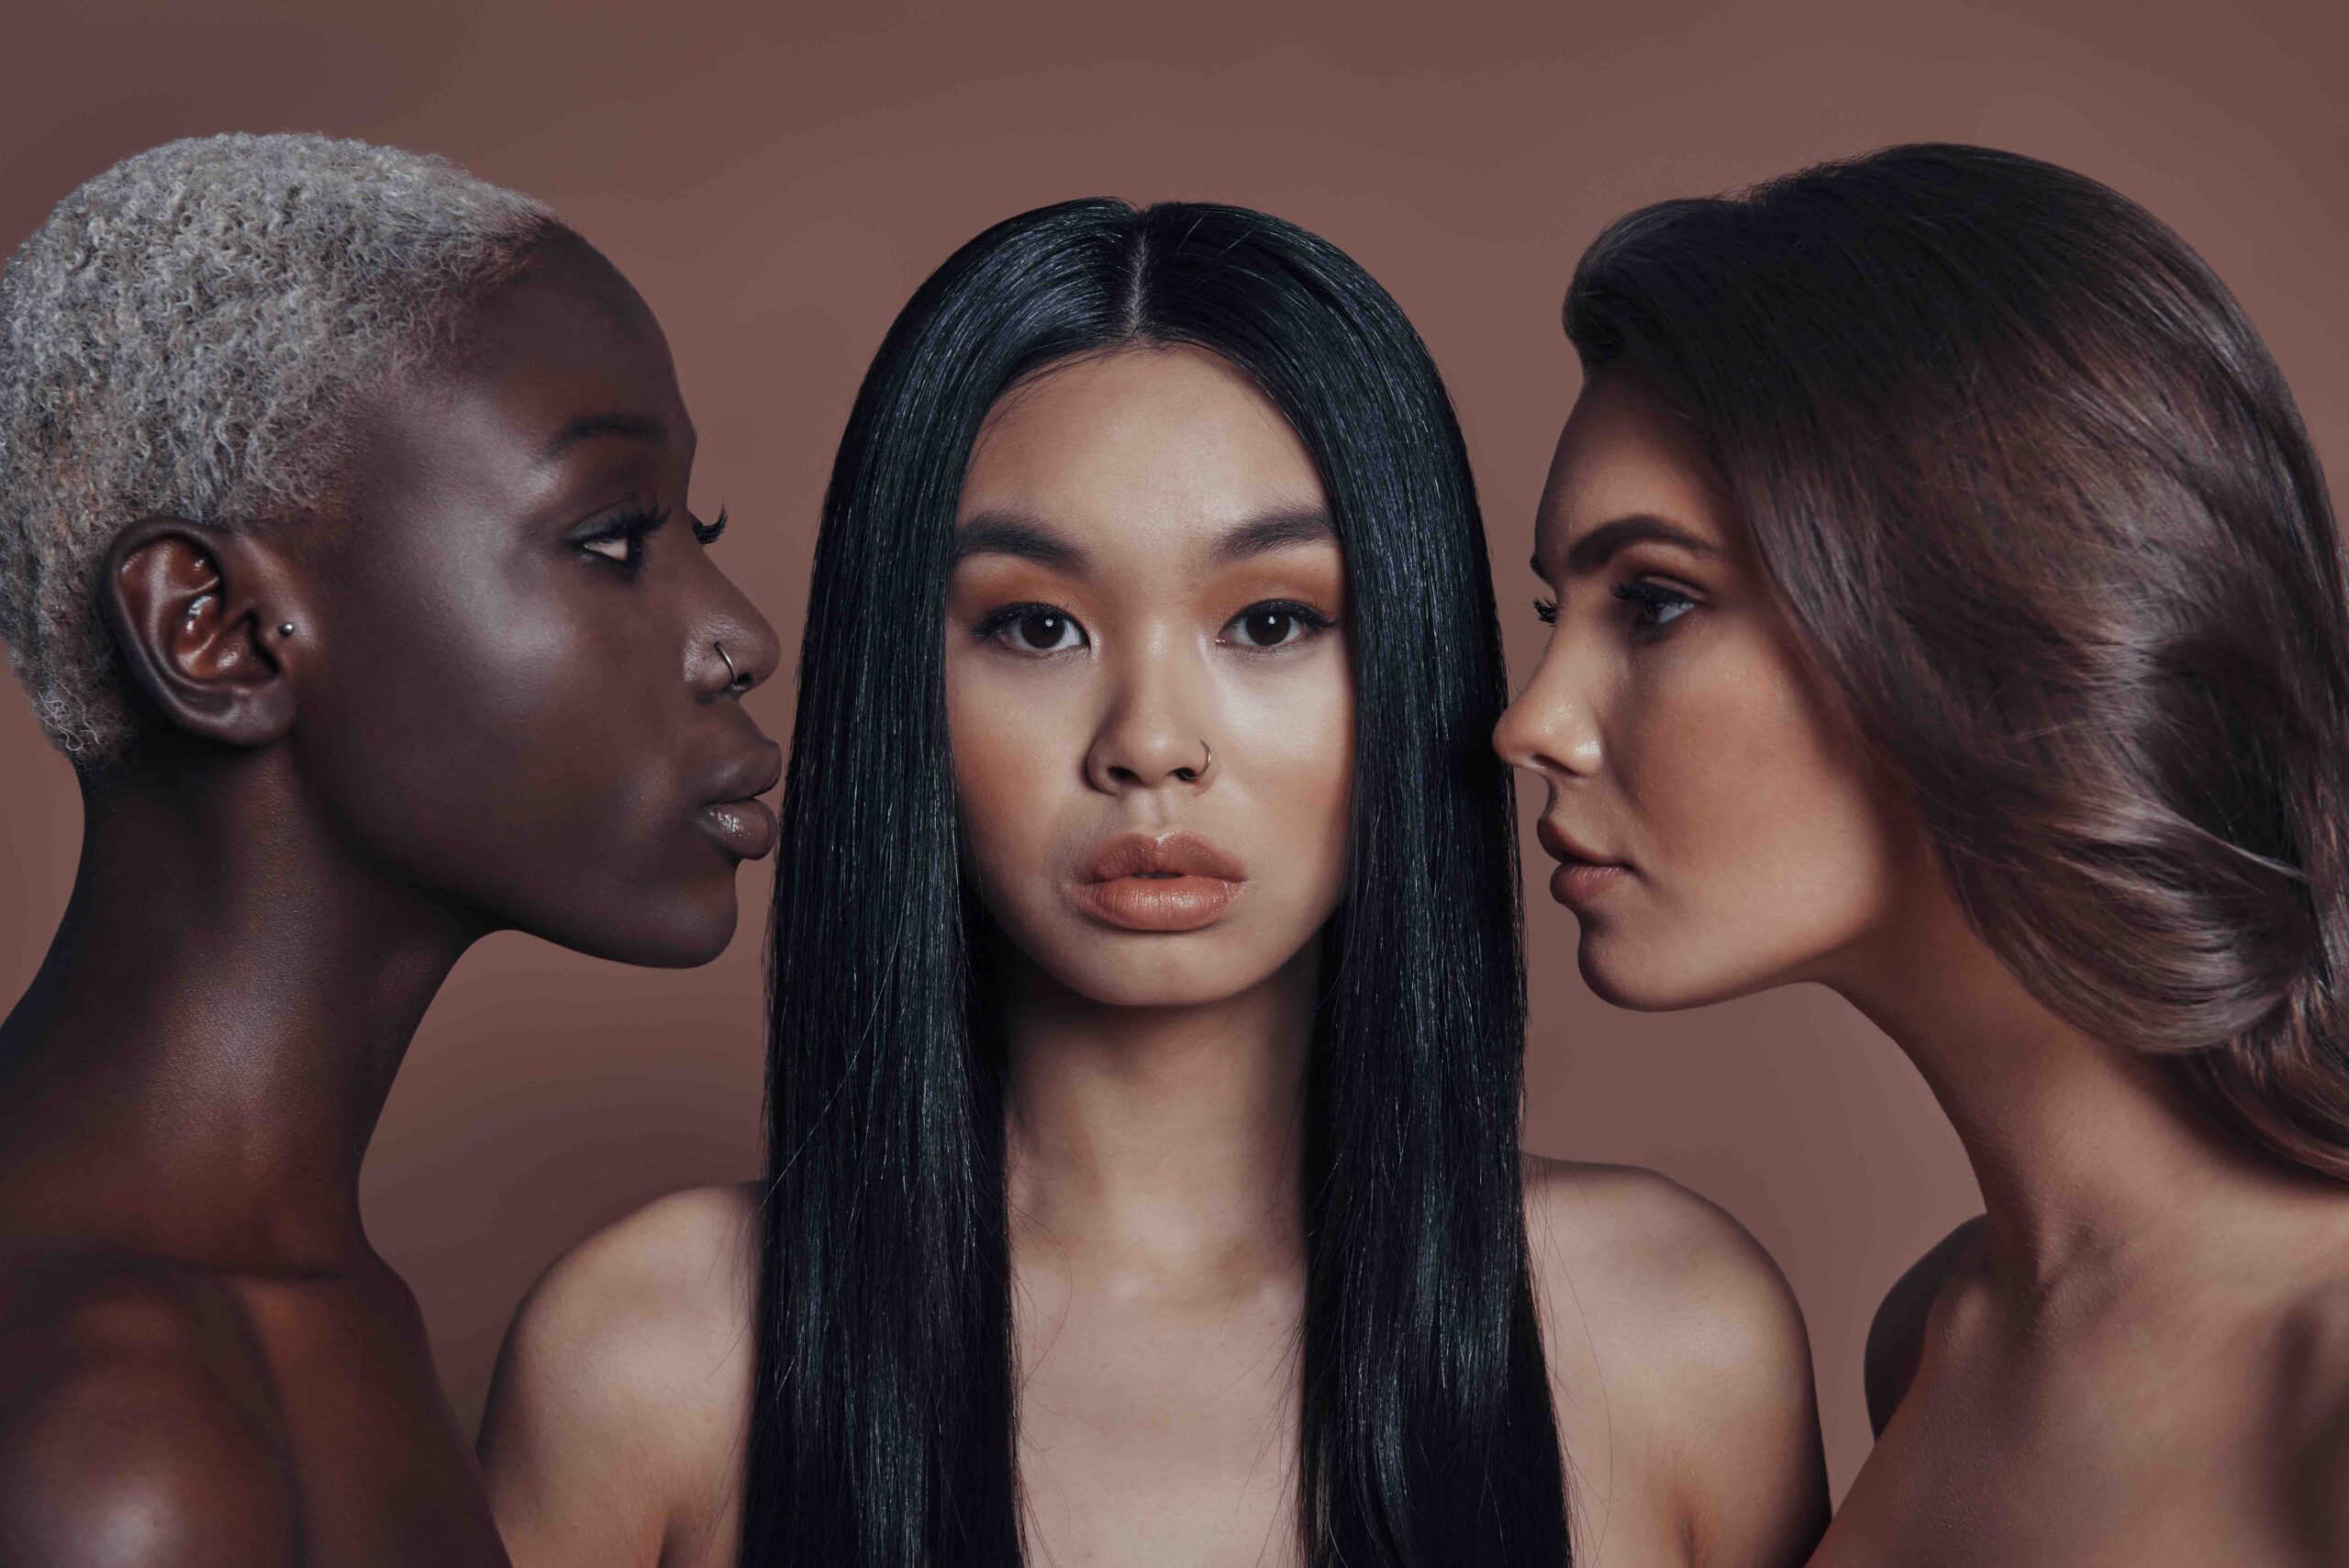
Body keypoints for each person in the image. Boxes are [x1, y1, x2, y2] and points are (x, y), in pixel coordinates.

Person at [481, 197, 1826, 1568]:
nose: (1150, 745)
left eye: (1272, 620)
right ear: (900, 685)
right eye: (1036, 625)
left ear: (1416, 651)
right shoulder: (650, 1360)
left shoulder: (1672, 1337)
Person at [1496, 143, 2349, 1565]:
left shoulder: (2323, 1383)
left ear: (1971, 611)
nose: (1531, 720)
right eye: (1552, 611)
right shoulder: (1933, 1343)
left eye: (1652, 602)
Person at [0, 133, 781, 1564]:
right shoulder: (112, 1431)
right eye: (614, 538)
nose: (739, 635)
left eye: (699, 528)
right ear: (217, 633)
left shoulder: (307, 1304)